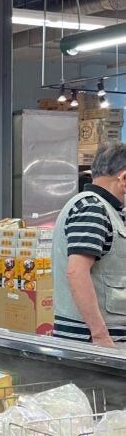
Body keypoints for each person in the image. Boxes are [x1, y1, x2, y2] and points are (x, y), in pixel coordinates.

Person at [52, 141, 126, 346]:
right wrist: (100, 335)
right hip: (97, 342)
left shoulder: (107, 210)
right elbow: (77, 272)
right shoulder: (91, 208)